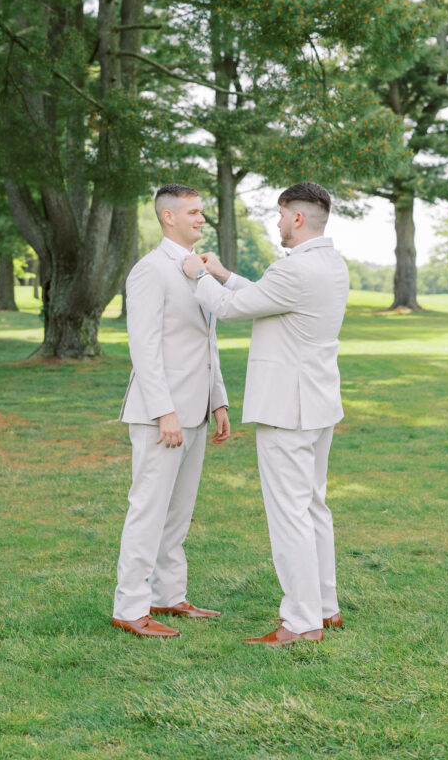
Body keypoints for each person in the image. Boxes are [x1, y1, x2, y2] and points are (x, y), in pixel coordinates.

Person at [182, 181, 349, 647]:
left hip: (287, 408)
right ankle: (325, 607)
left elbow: (235, 310)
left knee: (290, 514)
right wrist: (224, 273)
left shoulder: (294, 269)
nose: (276, 224)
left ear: (296, 217)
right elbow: (267, 297)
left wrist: (198, 275)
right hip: (317, 405)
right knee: (314, 507)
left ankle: (300, 622)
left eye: (279, 215)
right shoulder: (330, 263)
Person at [112, 183, 231, 639]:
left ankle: (168, 595)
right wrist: (164, 411)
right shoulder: (149, 270)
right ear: (169, 217)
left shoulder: (196, 268)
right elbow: (143, 347)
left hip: (196, 410)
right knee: (148, 509)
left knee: (179, 512)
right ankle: (130, 606)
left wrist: (216, 400)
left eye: (202, 212)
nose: (202, 219)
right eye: (194, 212)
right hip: (160, 415)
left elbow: (207, 341)